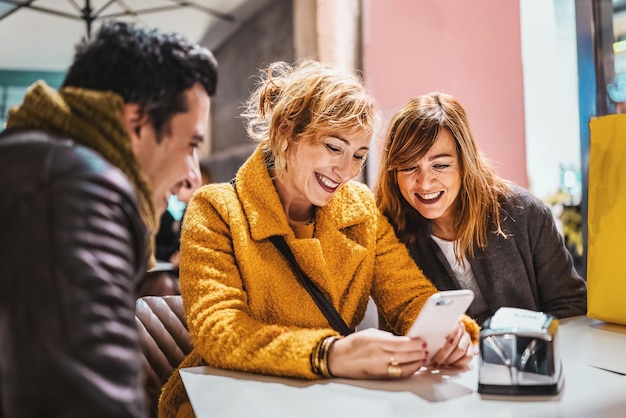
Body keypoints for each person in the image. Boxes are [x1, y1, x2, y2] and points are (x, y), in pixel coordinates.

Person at [158, 60, 480, 418]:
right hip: (228, 400)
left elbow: (408, 297)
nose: (345, 171)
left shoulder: (360, 209)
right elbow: (220, 333)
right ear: (285, 132)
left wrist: (449, 332)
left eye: (358, 155)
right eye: (333, 147)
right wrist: (331, 354)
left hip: (327, 400)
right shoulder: (217, 210)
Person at [0, 21, 217, 417]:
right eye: (190, 145)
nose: (192, 174)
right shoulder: (75, 189)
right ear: (137, 122)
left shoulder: (34, 162)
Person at [375, 92, 587, 326]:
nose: (425, 183)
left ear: (465, 162)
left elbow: (571, 306)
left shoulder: (526, 214)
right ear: (393, 172)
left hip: (529, 360)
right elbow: (396, 331)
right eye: (408, 167)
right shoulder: (388, 235)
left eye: (441, 165)